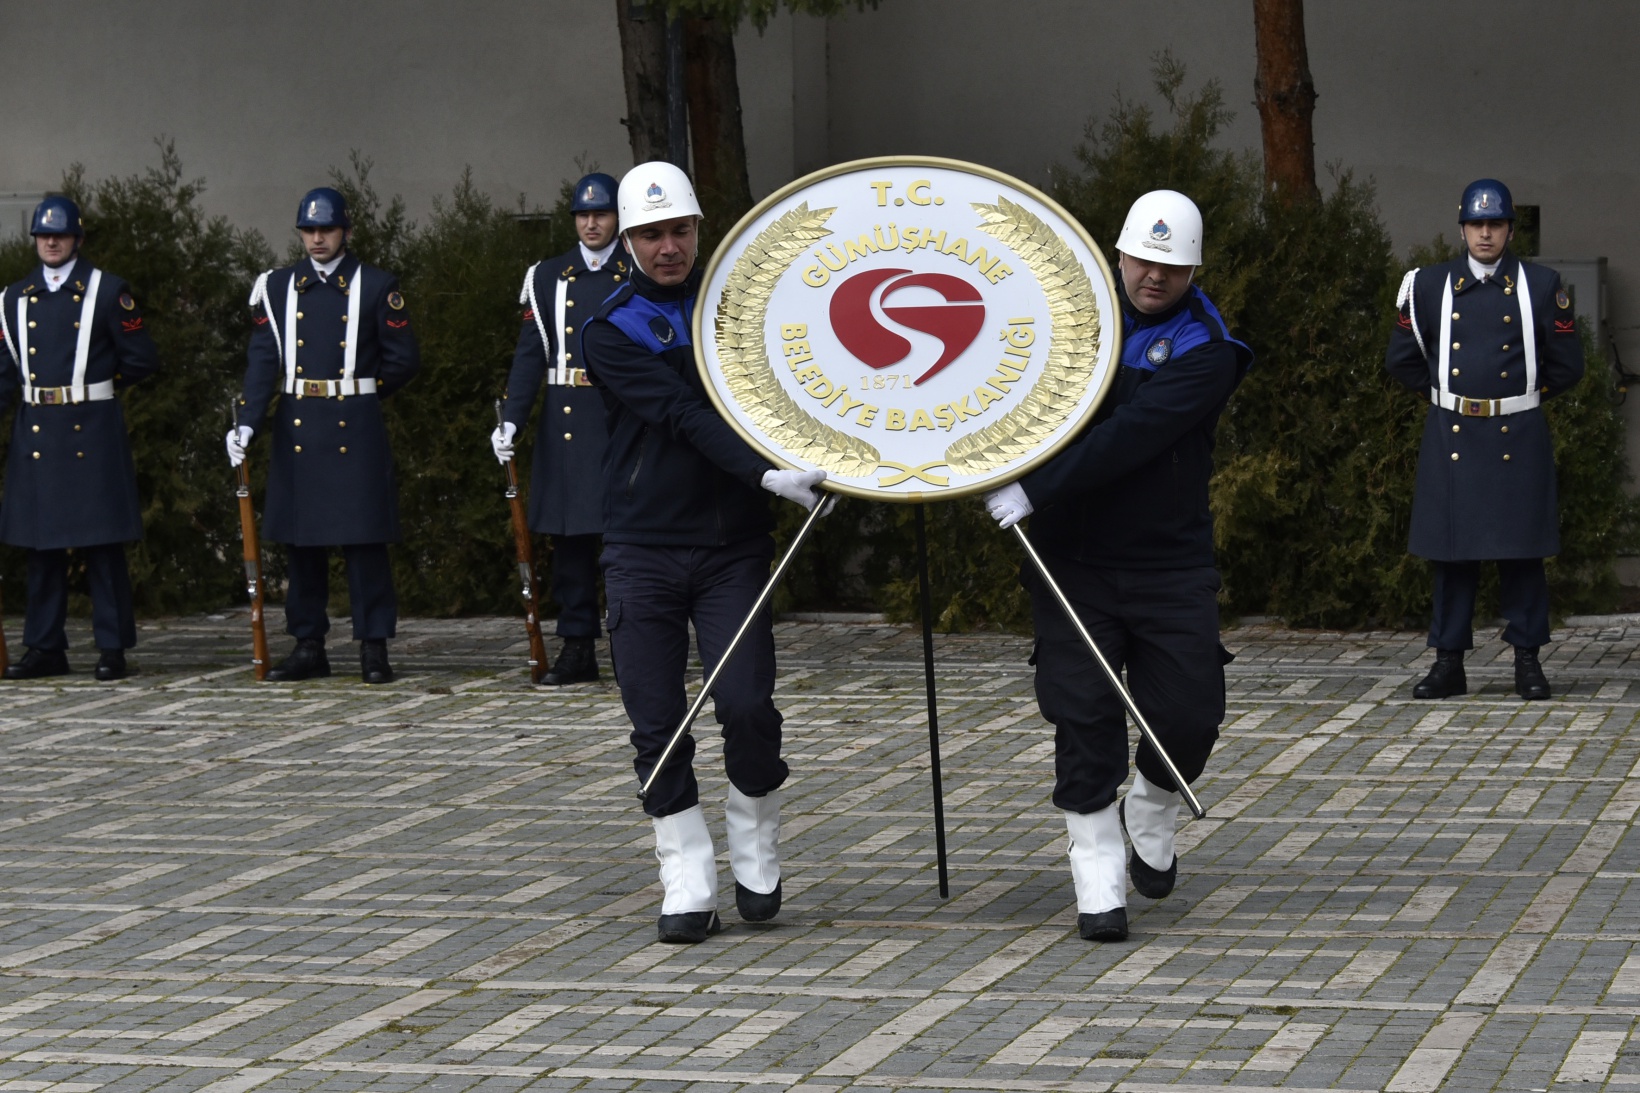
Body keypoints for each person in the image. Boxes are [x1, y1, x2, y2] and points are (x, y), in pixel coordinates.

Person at [982, 190, 1252, 942]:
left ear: (1193, 267)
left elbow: (1130, 435)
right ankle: (1095, 861)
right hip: (1073, 558)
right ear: (1118, 253)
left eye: (1170, 265)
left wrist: (1035, 486)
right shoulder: (1069, 321)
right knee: (1082, 707)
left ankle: (1154, 800)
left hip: (1169, 561)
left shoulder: (1209, 349)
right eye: (1141, 260)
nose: (1153, 277)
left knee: (1192, 711)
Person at [581, 161, 827, 944]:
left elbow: (813, 377)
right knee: (657, 721)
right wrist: (766, 471)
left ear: (699, 232)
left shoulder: (744, 316)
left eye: (679, 231)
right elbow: (683, 414)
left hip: (731, 549)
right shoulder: (608, 329)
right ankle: (685, 873)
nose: (668, 247)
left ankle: (755, 834)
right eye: (651, 234)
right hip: (642, 550)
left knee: (748, 703)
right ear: (627, 241)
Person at [1387, 179, 1583, 702]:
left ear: (1511, 229)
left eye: (1495, 224)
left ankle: (1527, 661)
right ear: (1462, 228)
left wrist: (1516, 401)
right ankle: (1448, 663)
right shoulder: (1428, 286)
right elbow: (1402, 360)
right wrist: (1451, 396)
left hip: (1517, 432)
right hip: (1452, 432)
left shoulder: (1542, 286)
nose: (1486, 234)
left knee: (1521, 555)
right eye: (1477, 224)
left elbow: (1567, 366)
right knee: (1451, 557)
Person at [227, 187, 421, 684]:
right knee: (301, 542)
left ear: (346, 232)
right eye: (309, 230)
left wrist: (360, 394)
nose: (317, 238)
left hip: (354, 423)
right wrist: (246, 420)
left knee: (364, 543)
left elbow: (402, 360)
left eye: (326, 229)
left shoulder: (377, 285)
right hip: (299, 424)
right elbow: (262, 361)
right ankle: (308, 643)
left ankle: (373, 647)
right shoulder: (274, 288)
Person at [0, 196, 161, 681]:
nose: (51, 242)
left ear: (78, 239)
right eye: (44, 235)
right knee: (41, 546)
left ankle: (112, 647)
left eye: (61, 235)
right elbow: (6, 374)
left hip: (90, 428)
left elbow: (140, 359)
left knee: (103, 546)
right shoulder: (13, 298)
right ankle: (45, 646)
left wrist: (95, 390)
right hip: (36, 432)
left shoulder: (108, 292)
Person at [491, 173, 628, 685]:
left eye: (602, 214)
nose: (591, 223)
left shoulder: (633, 268)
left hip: (620, 420)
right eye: (583, 215)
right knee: (570, 547)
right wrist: (511, 418)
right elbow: (532, 355)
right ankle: (577, 649)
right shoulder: (548, 276)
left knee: (623, 546)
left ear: (619, 218)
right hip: (565, 423)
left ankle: (632, 645)